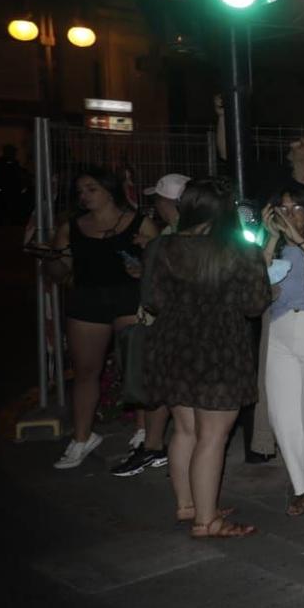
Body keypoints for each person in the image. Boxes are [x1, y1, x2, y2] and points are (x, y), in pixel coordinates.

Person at [143, 178, 274, 538]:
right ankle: (207, 521)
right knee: (212, 437)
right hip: (219, 347)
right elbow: (254, 304)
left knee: (184, 429)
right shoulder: (237, 250)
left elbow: (152, 300)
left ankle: (189, 505)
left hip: (173, 344)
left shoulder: (162, 246)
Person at [44, 167, 146, 468]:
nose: (85, 196)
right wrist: (53, 260)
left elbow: (159, 261)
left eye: (91, 189)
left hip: (128, 299)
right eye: (80, 192)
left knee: (135, 369)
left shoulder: (138, 222)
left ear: (108, 189)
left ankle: (143, 431)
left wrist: (143, 264)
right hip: (87, 301)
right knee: (86, 371)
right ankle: (82, 437)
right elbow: (59, 271)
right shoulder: (71, 227)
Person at [109, 174, 189, 477]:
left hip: (168, 326)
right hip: (167, 323)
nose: (154, 204)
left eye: (158, 198)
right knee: (160, 390)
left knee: (164, 391)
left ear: (170, 201)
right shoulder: (172, 232)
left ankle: (168, 453)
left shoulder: (179, 235)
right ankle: (154, 447)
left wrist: (151, 256)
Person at [258, 184, 304, 516]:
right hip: (279, 332)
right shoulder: (272, 246)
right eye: (282, 208)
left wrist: (297, 238)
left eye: (296, 208)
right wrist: (270, 238)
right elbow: (255, 286)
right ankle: (301, 484)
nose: (288, 214)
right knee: (283, 416)